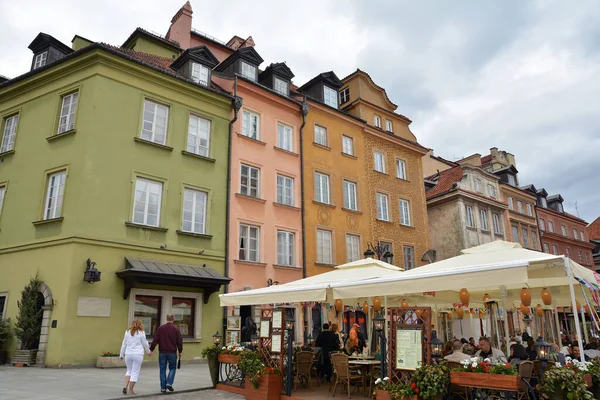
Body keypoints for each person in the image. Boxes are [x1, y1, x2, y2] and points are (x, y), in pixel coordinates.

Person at [150, 314, 183, 393]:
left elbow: (155, 339)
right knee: (173, 368)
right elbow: (179, 341)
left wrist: (151, 349)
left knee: (162, 369)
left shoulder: (161, 328)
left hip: (162, 352)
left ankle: (163, 388)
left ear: (166, 318)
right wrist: (180, 351)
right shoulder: (176, 329)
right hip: (172, 352)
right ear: (173, 319)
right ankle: (169, 383)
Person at [119, 319, 152, 395]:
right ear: (140, 325)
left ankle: (125, 386)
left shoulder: (127, 332)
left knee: (129, 370)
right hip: (138, 354)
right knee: (135, 372)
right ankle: (131, 389)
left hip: (128, 354)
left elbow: (124, 344)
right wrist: (148, 352)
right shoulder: (141, 333)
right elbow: (145, 344)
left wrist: (121, 354)